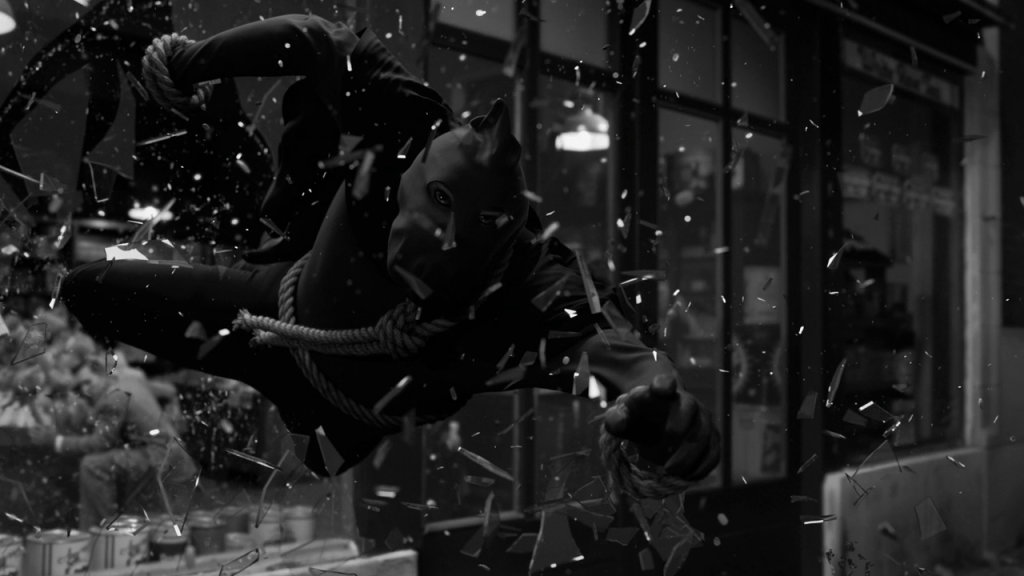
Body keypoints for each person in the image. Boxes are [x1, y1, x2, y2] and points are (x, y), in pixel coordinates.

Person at [60, 15, 720, 493]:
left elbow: (624, 358)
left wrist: (667, 417)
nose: (427, 249)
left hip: (350, 414)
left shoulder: (540, 284)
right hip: (277, 307)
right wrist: (195, 62)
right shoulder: (412, 122)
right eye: (428, 211)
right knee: (88, 289)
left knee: (318, 451)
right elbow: (319, 40)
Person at [28, 346, 195, 530]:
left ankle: (105, 528)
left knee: (92, 465)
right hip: (172, 452)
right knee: (105, 460)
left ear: (102, 374)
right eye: (80, 387)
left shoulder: (112, 399)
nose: (86, 390)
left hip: (160, 456)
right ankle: (99, 526)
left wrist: (56, 441)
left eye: (88, 382)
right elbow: (168, 391)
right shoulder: (129, 380)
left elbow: (99, 442)